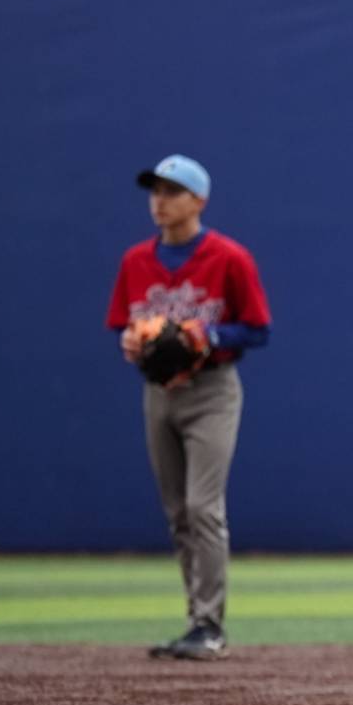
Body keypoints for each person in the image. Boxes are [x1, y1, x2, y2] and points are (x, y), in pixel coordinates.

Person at [107, 154, 272, 661]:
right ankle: (195, 620)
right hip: (159, 394)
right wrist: (133, 342)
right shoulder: (136, 261)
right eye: (155, 191)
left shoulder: (229, 257)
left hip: (212, 391)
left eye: (172, 191)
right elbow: (121, 323)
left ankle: (210, 624)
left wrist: (209, 333)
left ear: (198, 200)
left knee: (203, 506)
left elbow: (258, 328)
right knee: (178, 511)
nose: (160, 201)